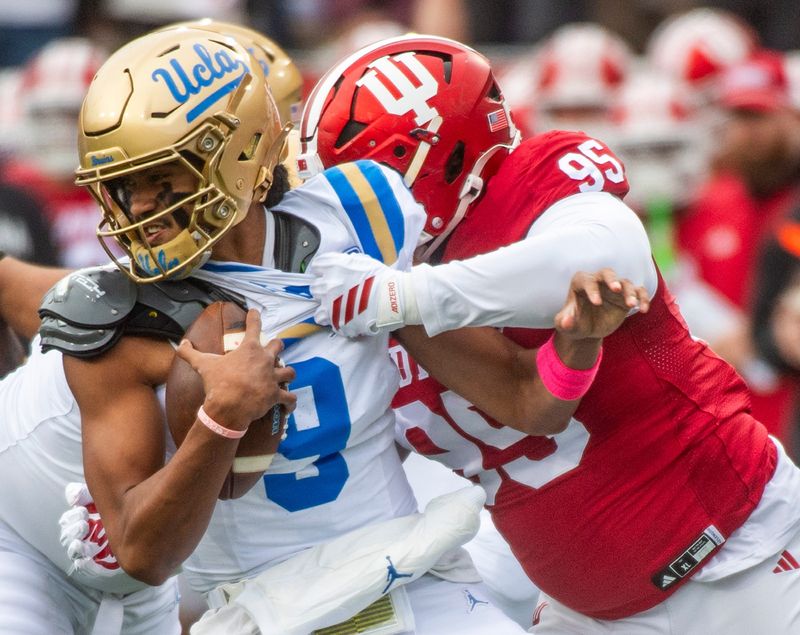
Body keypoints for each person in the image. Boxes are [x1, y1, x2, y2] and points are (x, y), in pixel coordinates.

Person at [8, 25, 535, 635]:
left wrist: (571, 344)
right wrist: (222, 419)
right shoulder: (117, 320)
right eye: (123, 188)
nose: (141, 211)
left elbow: (518, 395)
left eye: (163, 179)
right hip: (256, 610)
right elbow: (142, 554)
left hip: (410, 570)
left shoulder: (360, 213)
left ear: (234, 155)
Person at [300, 34, 800, 632]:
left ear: (441, 158)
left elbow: (608, 259)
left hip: (743, 555)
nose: (337, 206)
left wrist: (404, 296)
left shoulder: (533, 181)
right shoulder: (360, 292)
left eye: (353, 178)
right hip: (580, 606)